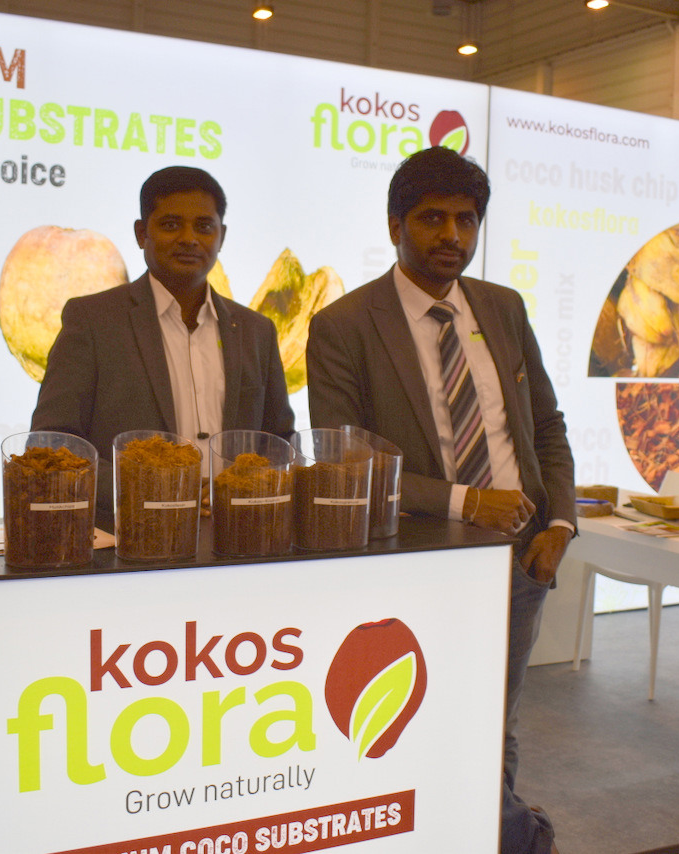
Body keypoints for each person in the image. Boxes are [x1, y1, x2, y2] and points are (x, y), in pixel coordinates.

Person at [305, 146, 575, 854]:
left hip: (520, 563)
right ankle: (516, 837)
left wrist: (560, 524)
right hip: (419, 565)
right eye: (432, 218)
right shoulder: (343, 325)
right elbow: (345, 458)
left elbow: (546, 426)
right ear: (395, 224)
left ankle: (499, 839)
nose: (451, 234)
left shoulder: (503, 308)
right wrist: (465, 502)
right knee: (428, 726)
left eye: (466, 219)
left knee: (495, 721)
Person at [31, 165, 294, 529]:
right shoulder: (92, 320)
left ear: (222, 236)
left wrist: (252, 486)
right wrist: (153, 488)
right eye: (171, 225)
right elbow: (51, 445)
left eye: (204, 226)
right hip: (128, 537)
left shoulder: (255, 330)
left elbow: (279, 442)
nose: (189, 238)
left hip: (237, 536)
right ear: (142, 233)